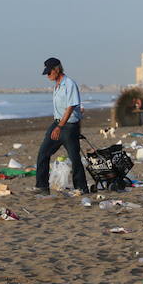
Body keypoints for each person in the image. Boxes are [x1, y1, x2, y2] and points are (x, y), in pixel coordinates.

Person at [34, 57, 89, 195]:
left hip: (69, 126)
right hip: (58, 123)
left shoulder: (69, 84)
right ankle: (41, 186)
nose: (47, 75)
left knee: (74, 157)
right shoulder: (57, 85)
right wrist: (57, 125)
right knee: (43, 153)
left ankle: (81, 187)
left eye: (49, 72)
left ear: (57, 69)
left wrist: (60, 127)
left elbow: (70, 107)